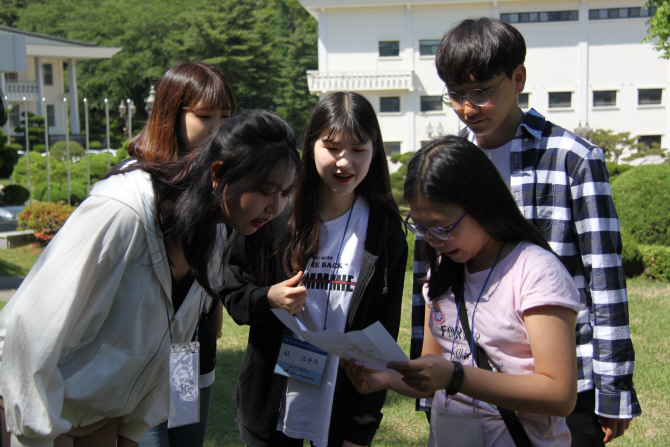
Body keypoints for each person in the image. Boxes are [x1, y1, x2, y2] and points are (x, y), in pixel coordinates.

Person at [0, 109, 300, 447]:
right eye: (264, 190)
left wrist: (133, 429)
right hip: (43, 418)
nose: (276, 207)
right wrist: (35, 435)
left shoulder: (214, 235)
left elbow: (175, 342)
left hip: (104, 422)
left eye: (287, 193)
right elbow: (28, 331)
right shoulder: (122, 215)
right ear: (218, 173)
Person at [410, 17, 641, 445]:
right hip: (469, 374)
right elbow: (429, 271)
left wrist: (615, 388)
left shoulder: (571, 157)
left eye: (481, 92)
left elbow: (605, 278)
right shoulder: (448, 159)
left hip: (563, 377)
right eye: (456, 95)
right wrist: (427, 377)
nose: (467, 108)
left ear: (518, 78)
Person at [344, 136, 581, 446]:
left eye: (443, 227)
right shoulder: (442, 271)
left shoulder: (535, 271)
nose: (431, 240)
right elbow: (432, 374)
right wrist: (384, 378)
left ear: (481, 205)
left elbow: (559, 395)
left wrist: (457, 377)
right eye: (420, 227)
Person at [222, 91, 407, 447]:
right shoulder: (275, 214)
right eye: (333, 147)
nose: (344, 162)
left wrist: (362, 426)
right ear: (310, 146)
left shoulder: (383, 232)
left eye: (358, 149)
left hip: (342, 402)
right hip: (271, 399)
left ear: (375, 151)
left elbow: (382, 333)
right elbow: (233, 291)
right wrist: (268, 299)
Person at [128, 61, 235, 447]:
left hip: (191, 354)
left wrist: (215, 305)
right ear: (171, 115)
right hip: (141, 357)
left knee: (185, 440)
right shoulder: (136, 187)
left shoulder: (219, 181)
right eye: (204, 116)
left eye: (226, 116)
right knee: (150, 439)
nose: (218, 128)